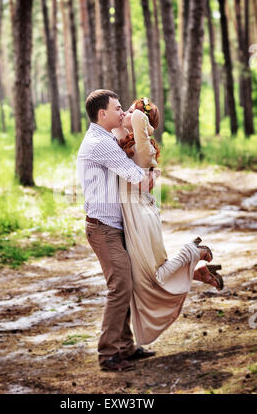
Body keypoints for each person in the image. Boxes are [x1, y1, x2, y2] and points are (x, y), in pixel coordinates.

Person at [112, 97, 224, 346]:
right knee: (143, 281)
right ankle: (194, 271)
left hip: (139, 216)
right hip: (136, 215)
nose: (125, 114)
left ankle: (192, 251)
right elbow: (113, 127)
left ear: (143, 121)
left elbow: (140, 121)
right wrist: (128, 113)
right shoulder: (128, 142)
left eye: (130, 111)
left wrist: (143, 111)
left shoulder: (143, 147)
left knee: (149, 278)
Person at [76, 90, 157, 371]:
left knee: (126, 284)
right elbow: (138, 179)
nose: (122, 112)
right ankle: (108, 354)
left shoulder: (106, 138)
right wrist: (153, 173)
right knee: (119, 286)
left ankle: (125, 347)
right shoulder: (101, 144)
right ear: (103, 114)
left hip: (113, 225)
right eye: (118, 108)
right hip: (103, 228)